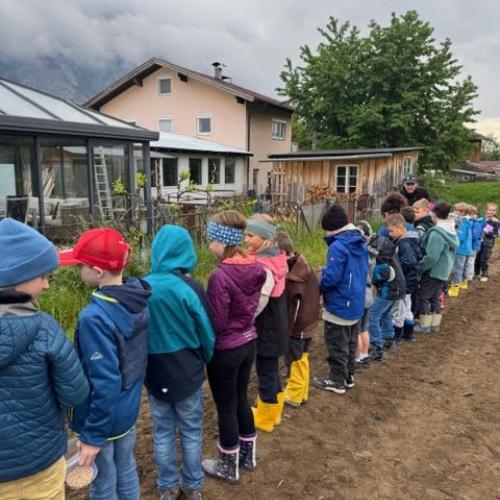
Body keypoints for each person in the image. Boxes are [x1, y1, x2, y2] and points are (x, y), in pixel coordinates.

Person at [0, 218, 89, 500]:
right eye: (42, 276)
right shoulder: (44, 329)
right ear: (17, 278)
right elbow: (75, 392)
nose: (47, 284)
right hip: (39, 464)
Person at [59, 228, 151, 500]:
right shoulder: (136, 299)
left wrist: (92, 436)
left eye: (80, 265)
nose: (77, 270)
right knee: (126, 468)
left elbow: (106, 381)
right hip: (127, 410)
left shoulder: (94, 318)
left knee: (102, 483)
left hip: (101, 419)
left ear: (98, 271)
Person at [144, 225, 215, 500]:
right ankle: (193, 486)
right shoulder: (191, 288)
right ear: (187, 252)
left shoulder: (142, 287)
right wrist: (204, 358)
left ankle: (168, 486)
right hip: (187, 371)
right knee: (191, 430)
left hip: (154, 371)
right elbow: (207, 331)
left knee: (162, 430)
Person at [202, 211, 266, 483]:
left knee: (226, 407)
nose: (208, 245)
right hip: (248, 342)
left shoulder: (220, 276)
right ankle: (247, 456)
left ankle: (228, 465)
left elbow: (217, 322)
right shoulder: (255, 267)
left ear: (222, 240)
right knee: (240, 399)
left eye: (211, 239)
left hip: (226, 350)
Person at [313, 205, 368, 394]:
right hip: (355, 301)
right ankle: (348, 376)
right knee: (350, 342)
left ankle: (337, 380)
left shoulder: (338, 246)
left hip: (339, 303)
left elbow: (332, 278)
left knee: (337, 344)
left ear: (332, 228)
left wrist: (318, 287)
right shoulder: (360, 242)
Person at [244, 214, 288, 432]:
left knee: (266, 372)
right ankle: (274, 412)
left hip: (266, 328)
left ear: (265, 238)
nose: (246, 239)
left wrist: (245, 319)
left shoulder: (264, 266)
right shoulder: (276, 258)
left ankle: (265, 418)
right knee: (271, 370)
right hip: (275, 325)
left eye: (251, 235)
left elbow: (259, 301)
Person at [275, 230, 320, 409]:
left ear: (281, 253)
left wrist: (288, 330)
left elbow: (293, 308)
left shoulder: (294, 278)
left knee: (294, 360)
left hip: (297, 327)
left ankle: (293, 395)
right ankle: (302, 392)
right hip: (309, 322)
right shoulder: (303, 265)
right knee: (302, 358)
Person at [415, 201, 458, 334]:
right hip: (443, 271)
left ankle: (424, 325)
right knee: (435, 297)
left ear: (435, 215)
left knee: (423, 296)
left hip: (433, 271)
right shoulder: (450, 230)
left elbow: (432, 257)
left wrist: (420, 267)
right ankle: (434, 325)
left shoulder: (437, 233)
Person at [368, 235, 406, 358]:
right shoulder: (387, 250)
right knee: (385, 313)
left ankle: (376, 346)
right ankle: (388, 339)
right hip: (397, 288)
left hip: (389, 290)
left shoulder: (380, 256)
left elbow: (379, 275)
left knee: (372, 316)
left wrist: (371, 279)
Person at [386, 214, 422, 343]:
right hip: (412, 280)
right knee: (407, 307)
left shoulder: (403, 243)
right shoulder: (412, 239)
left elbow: (409, 261)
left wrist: (398, 271)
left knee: (398, 309)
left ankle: (397, 335)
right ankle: (408, 333)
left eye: (392, 230)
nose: (390, 234)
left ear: (400, 227)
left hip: (404, 281)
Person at [354, 220, 375, 369]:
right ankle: (364, 355)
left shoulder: (361, 254)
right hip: (369, 293)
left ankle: (356, 359)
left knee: (355, 330)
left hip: (360, 294)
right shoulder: (372, 253)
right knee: (364, 328)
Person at [449, 203, 473, 297]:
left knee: (457, 268)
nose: (456, 212)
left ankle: (455, 287)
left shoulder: (462, 222)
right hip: (466, 249)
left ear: (464, 212)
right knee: (462, 267)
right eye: (455, 210)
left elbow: (460, 237)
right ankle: (464, 282)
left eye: (459, 211)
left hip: (460, 249)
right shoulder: (467, 221)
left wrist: (452, 235)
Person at [475, 203, 500, 282]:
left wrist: (488, 232)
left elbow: (496, 234)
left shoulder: (496, 222)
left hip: (488, 243)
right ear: (486, 210)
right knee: (477, 258)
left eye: (493, 210)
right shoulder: (482, 219)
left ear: (496, 212)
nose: (491, 212)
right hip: (479, 242)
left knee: (484, 259)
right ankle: (476, 273)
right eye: (489, 210)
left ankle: (484, 274)